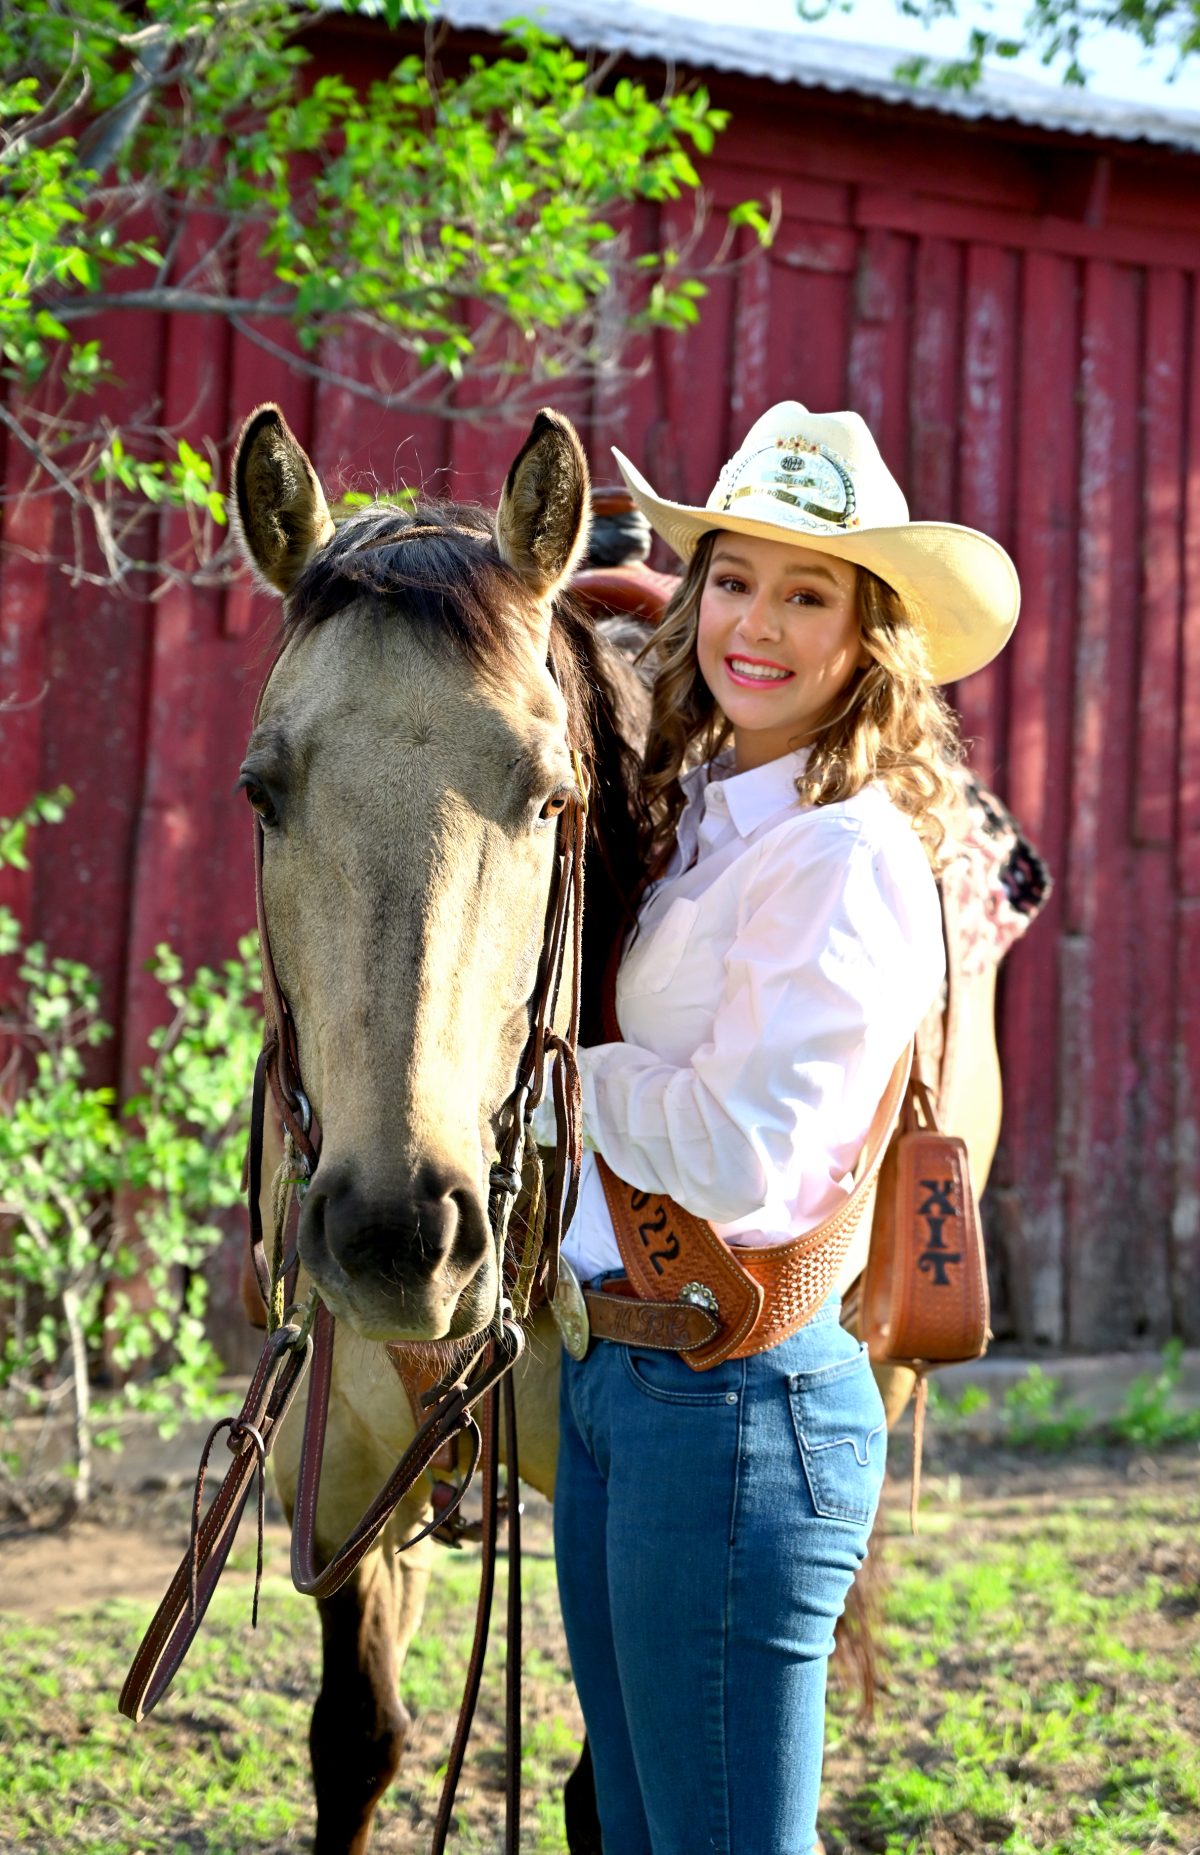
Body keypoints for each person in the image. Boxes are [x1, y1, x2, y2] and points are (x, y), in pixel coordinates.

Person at [540, 402, 1019, 1855]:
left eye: (808, 593)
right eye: (735, 579)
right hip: (621, 1379)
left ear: (869, 636)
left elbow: (746, 1155)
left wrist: (554, 1070)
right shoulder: (711, 812)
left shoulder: (845, 852)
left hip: (738, 1402)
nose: (757, 623)